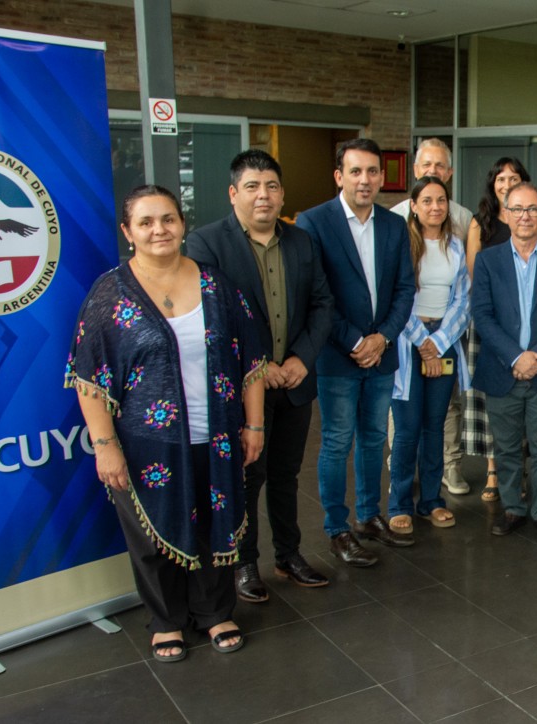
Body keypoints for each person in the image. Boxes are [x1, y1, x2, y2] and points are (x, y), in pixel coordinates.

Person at [67, 185, 266, 661]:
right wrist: (104, 444)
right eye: (146, 222)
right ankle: (166, 620)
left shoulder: (216, 286)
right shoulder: (109, 293)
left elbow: (252, 359)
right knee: (152, 534)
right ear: (128, 231)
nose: (159, 229)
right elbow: (88, 377)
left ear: (182, 223)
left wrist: (254, 426)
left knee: (216, 526)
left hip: (215, 435)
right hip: (144, 445)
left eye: (169, 219)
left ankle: (215, 611)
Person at [186, 150, 333, 603]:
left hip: (294, 381)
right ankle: (244, 561)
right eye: (252, 187)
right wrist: (257, 365)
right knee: (248, 476)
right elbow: (211, 320)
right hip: (242, 387)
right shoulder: (207, 244)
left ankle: (288, 555)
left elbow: (322, 305)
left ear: (282, 193)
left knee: (288, 473)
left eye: (271, 186)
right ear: (234, 194)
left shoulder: (301, 241)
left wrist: (301, 360)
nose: (263, 195)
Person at [297, 138, 416, 566]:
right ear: (338, 176)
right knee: (336, 443)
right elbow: (317, 295)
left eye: (371, 172)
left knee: (373, 439)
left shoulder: (393, 225)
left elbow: (405, 290)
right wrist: (354, 342)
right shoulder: (313, 223)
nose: (364, 180)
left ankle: (369, 517)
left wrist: (382, 338)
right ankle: (337, 529)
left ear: (382, 178)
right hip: (336, 356)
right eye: (355, 171)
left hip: (382, 354)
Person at [472, 182, 537, 540]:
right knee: (508, 447)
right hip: (502, 370)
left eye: (532, 209)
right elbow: (481, 316)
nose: (525, 216)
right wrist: (515, 356)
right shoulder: (487, 260)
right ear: (506, 214)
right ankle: (513, 507)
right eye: (517, 209)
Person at [390, 138, 472, 495]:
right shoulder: (396, 232)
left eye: (440, 199)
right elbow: (396, 294)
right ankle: (400, 492)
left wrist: (438, 343)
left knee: (438, 420)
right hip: (407, 336)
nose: (435, 206)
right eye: (427, 200)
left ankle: (433, 495)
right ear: (414, 203)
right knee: (406, 423)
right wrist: (422, 342)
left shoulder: (460, 232)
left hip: (445, 338)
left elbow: (463, 297)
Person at [464, 157, 531, 503]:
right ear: (493, 185)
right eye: (501, 178)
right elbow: (477, 279)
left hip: (527, 328)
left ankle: (518, 469)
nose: (506, 183)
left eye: (514, 177)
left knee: (524, 398)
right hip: (489, 325)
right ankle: (494, 469)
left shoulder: (535, 220)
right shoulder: (480, 223)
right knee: (494, 398)